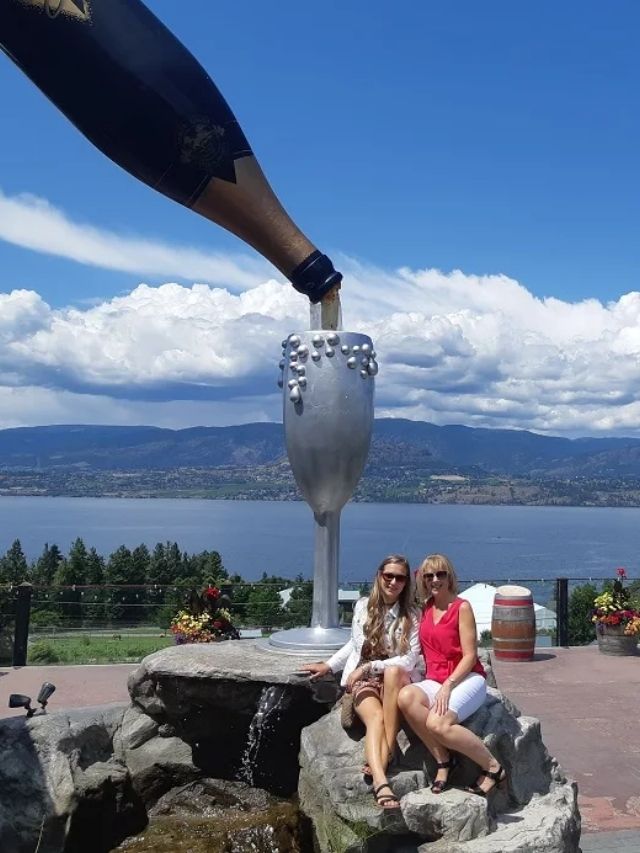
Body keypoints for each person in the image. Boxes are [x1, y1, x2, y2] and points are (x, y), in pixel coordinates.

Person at [302, 555, 420, 810]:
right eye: (389, 575)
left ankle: (383, 757)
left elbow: (409, 659)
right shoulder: (363, 606)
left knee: (391, 680)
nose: (393, 582)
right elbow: (353, 645)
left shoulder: (411, 615)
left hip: (392, 679)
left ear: (406, 582)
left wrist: (370, 666)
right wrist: (329, 665)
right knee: (375, 719)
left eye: (400, 577)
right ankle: (381, 779)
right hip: (362, 681)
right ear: (379, 575)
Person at [398, 554, 507, 797]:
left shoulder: (462, 607)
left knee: (437, 723)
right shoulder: (424, 610)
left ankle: (493, 767)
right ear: (423, 581)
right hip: (434, 680)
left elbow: (470, 656)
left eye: (440, 574)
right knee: (405, 697)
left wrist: (448, 685)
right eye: (429, 576)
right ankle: (443, 760)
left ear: (449, 577)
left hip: (466, 678)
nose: (435, 580)